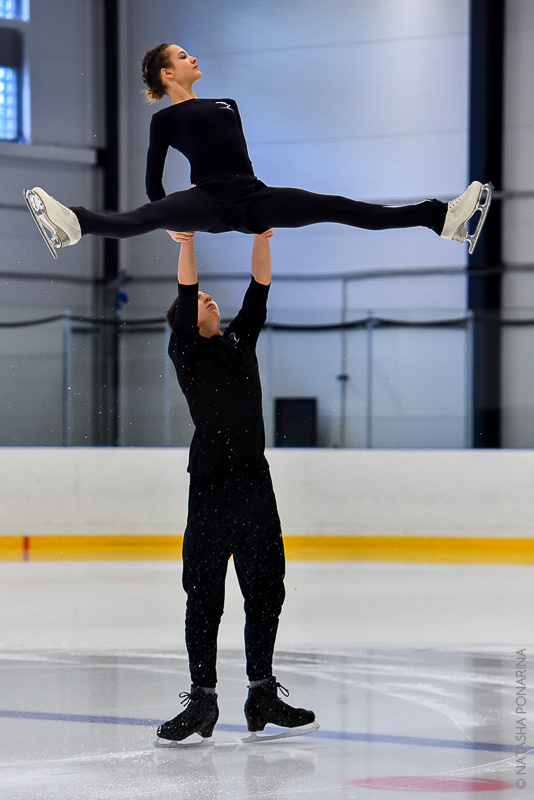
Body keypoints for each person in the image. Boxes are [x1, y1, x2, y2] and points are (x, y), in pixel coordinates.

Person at [24, 43, 492, 259]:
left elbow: (236, 155)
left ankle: (440, 218)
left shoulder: (227, 103)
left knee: (342, 208)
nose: (193, 59)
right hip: (204, 200)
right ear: (167, 74)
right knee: (141, 219)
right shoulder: (164, 119)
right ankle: (75, 224)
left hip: (251, 197)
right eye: (184, 57)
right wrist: (168, 219)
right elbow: (153, 180)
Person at [156, 227, 316, 745]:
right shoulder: (186, 351)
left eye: (206, 296)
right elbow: (185, 290)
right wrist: (186, 242)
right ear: (185, 322)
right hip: (210, 488)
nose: (206, 298)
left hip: (254, 485)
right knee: (203, 596)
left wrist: (262, 233)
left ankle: (261, 693)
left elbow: (259, 289)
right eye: (198, 300)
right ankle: (203, 699)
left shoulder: (240, 341)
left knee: (267, 590)